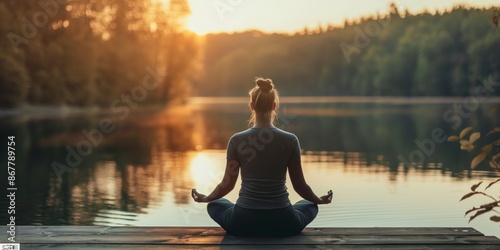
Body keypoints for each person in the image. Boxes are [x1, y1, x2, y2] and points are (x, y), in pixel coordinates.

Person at [191, 77, 333, 237]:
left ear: (251, 106)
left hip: (242, 221)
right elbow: (299, 186)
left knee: (214, 204)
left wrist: (206, 198)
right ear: (274, 106)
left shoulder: (236, 140)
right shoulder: (290, 140)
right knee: (310, 205)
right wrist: (319, 200)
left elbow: (227, 185)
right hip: (284, 221)